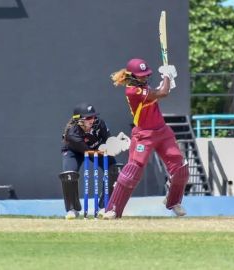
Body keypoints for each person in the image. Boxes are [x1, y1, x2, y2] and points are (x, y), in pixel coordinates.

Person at [103, 58, 188, 219]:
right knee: (132, 171)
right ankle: (113, 209)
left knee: (180, 168)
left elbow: (158, 93)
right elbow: (162, 93)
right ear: (132, 76)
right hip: (144, 135)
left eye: (146, 75)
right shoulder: (132, 91)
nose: (145, 78)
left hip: (162, 131)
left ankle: (173, 201)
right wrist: (167, 77)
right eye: (141, 76)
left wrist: (167, 82)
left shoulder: (143, 87)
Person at [59, 103, 119, 219]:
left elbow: (109, 140)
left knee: (114, 169)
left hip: (95, 148)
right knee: (69, 175)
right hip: (74, 151)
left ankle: (105, 206)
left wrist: (114, 147)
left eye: (93, 117)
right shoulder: (72, 133)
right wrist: (103, 151)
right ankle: (73, 209)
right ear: (79, 120)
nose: (92, 120)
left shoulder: (99, 123)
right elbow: (87, 151)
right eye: (88, 118)